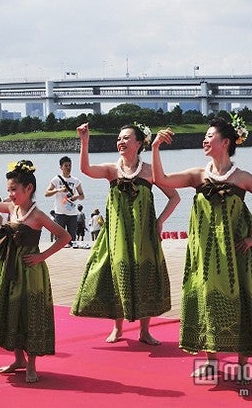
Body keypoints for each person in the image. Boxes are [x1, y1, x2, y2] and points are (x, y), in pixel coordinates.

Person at [151, 116, 252, 383]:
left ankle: (243, 366)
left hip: (237, 255)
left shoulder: (243, 177)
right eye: (205, 135)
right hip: (206, 256)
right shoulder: (198, 175)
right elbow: (160, 178)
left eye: (210, 136)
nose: (205, 139)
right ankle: (211, 363)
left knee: (241, 302)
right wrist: (155, 148)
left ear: (225, 142)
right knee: (207, 301)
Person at [71, 122, 180, 345]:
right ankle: (117, 328)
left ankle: (144, 331)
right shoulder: (113, 169)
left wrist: (160, 221)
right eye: (119, 138)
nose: (121, 141)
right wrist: (84, 141)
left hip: (143, 235)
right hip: (116, 234)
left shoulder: (150, 171)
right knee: (116, 274)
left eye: (126, 138)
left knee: (144, 276)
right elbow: (86, 170)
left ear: (139, 143)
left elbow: (174, 197)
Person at [0, 156, 71, 383]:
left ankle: (31, 365)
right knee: (13, 311)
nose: (10, 194)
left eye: (14, 190)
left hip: (30, 269)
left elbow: (65, 236)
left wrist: (41, 257)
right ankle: (18, 359)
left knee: (30, 313)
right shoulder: (11, 207)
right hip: (9, 266)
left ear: (29, 188)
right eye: (9, 190)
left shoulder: (37, 215)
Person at [44, 156, 84, 245]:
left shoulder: (76, 180)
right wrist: (59, 190)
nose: (68, 168)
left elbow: (82, 196)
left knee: (72, 239)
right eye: (66, 166)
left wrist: (76, 197)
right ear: (61, 167)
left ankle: (72, 256)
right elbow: (46, 193)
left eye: (70, 165)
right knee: (60, 238)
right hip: (60, 212)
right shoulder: (56, 179)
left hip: (72, 212)